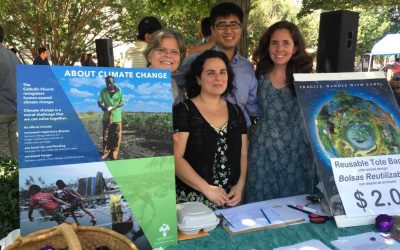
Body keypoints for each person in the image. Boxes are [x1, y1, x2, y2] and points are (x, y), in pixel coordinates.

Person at [245, 21, 316, 203]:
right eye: (274, 43)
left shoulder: (308, 77)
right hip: (262, 152)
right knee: (258, 208)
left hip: (298, 153)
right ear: (267, 46)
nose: (279, 48)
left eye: (286, 43)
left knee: (298, 208)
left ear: (295, 47)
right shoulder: (258, 75)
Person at [173, 50, 248, 210]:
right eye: (210, 73)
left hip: (231, 201)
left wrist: (240, 186)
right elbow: (176, 158)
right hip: (193, 203)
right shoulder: (184, 110)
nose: (218, 78)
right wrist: (207, 189)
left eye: (223, 72)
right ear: (198, 78)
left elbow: (243, 153)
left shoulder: (236, 111)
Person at [176, 2, 258, 127]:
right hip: (204, 136)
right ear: (213, 29)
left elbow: (252, 106)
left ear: (241, 28)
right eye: (221, 25)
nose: (228, 30)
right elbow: (173, 85)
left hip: (240, 135)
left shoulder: (246, 66)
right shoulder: (196, 60)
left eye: (234, 25)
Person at [143, 28, 186, 105]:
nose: (168, 55)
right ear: (149, 55)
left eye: (174, 52)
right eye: (161, 50)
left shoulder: (173, 84)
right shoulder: (132, 82)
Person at [0, 24, 21, 158]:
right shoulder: (13, 56)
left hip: (1, 110)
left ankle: (5, 177)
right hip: (14, 109)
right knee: (14, 146)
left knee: (2, 149)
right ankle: (15, 175)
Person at [98, 76, 124, 160]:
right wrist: (102, 107)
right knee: (106, 135)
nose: (109, 85)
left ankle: (114, 153)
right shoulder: (103, 91)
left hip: (116, 116)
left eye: (110, 83)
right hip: (106, 116)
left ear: (114, 82)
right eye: (107, 83)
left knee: (116, 136)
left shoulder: (119, 90)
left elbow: (122, 102)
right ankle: (105, 152)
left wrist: (114, 106)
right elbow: (99, 101)